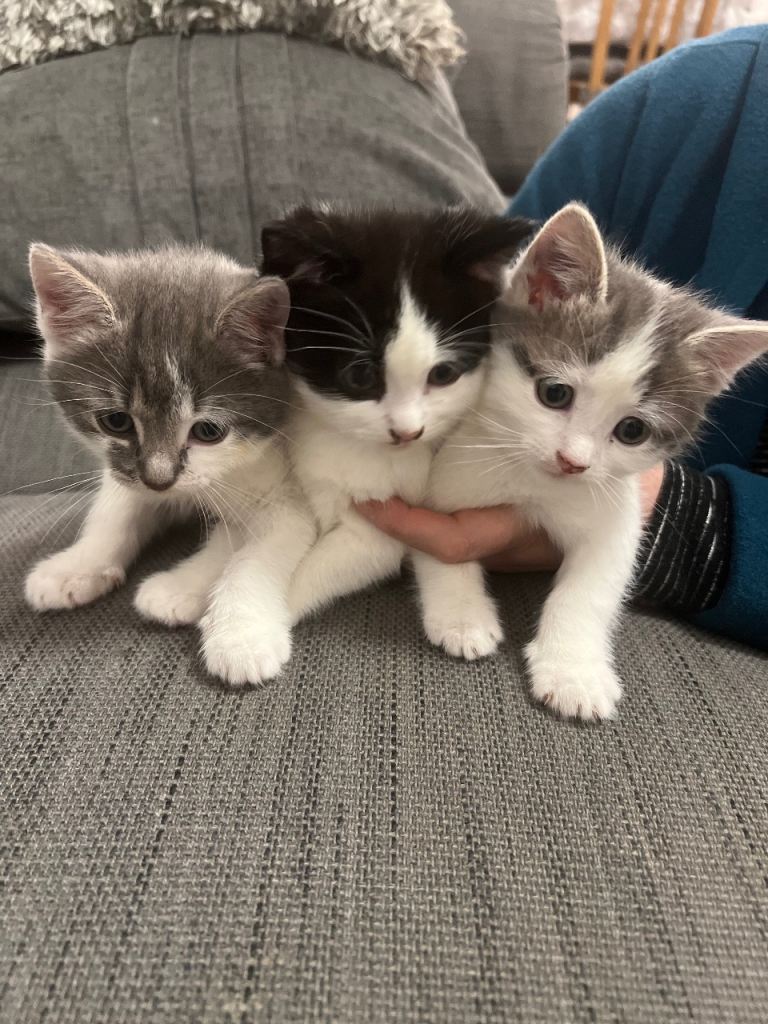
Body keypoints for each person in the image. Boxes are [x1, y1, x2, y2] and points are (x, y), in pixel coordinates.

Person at [358, 25, 768, 651]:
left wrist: (692, 526)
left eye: (631, 430)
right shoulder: (702, 94)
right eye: (554, 392)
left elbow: (612, 530)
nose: (575, 457)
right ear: (537, 286)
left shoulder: (607, 463)